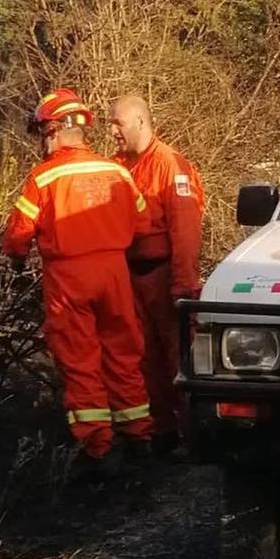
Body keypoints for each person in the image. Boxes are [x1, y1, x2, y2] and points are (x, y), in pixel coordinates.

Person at [2, 88, 154, 476]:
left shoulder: (44, 176)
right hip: (115, 273)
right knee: (123, 352)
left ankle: (97, 449)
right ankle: (139, 437)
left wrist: (16, 259)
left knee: (80, 357)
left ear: (53, 131)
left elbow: (19, 234)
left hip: (69, 278)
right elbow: (143, 223)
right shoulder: (117, 171)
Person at [109, 93, 205, 452]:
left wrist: (182, 284)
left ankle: (192, 433)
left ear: (139, 121)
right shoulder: (118, 166)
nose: (112, 130)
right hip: (130, 276)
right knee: (142, 356)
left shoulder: (170, 165)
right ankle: (160, 431)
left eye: (116, 122)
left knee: (178, 357)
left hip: (165, 275)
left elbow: (185, 229)